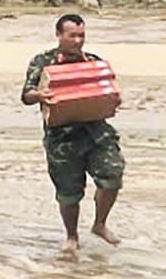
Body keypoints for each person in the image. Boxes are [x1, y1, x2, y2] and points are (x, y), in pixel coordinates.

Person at [21, 13, 124, 257]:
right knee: (68, 192)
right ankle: (71, 236)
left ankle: (99, 224)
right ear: (59, 35)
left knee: (113, 176)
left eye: (82, 35)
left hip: (97, 132)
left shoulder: (94, 62)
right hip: (61, 138)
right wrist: (39, 95)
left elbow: (109, 90)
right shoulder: (42, 61)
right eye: (72, 36)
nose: (78, 41)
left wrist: (114, 100)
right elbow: (26, 95)